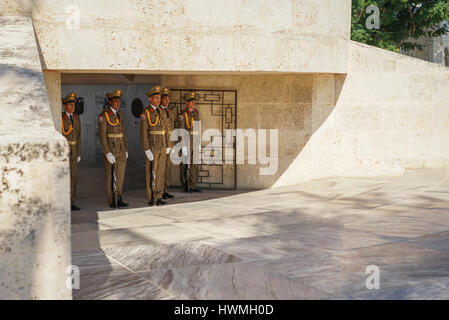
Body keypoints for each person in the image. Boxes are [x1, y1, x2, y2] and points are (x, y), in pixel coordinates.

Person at [98, 89, 129, 208]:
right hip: (111, 149)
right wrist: (107, 152)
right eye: (115, 101)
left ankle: (119, 196)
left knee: (120, 175)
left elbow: (123, 133)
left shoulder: (120, 114)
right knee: (111, 176)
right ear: (110, 102)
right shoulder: (104, 116)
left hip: (121, 149)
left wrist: (126, 149)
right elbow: (102, 136)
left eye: (119, 101)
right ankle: (112, 200)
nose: (118, 103)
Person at [140, 85, 167, 206]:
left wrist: (168, 145)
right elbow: (143, 133)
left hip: (162, 145)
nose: (158, 100)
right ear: (150, 99)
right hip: (152, 147)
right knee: (151, 172)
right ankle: (151, 198)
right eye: (156, 98)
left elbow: (165, 129)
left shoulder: (161, 111)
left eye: (159, 98)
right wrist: (146, 149)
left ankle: (159, 196)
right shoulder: (145, 113)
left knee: (160, 172)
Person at [61, 92, 81, 211]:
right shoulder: (61, 118)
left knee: (73, 177)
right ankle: (64, 201)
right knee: (64, 177)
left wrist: (79, 152)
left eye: (74, 105)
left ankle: (72, 201)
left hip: (73, 150)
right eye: (70, 105)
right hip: (65, 150)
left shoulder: (76, 118)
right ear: (65, 106)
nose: (73, 107)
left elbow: (79, 137)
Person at [180, 92, 201, 192]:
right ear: (187, 103)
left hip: (195, 141)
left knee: (194, 164)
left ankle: (194, 185)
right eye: (191, 101)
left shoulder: (196, 113)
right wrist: (183, 145)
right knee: (185, 164)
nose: (193, 103)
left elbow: (198, 127)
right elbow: (181, 130)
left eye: (194, 101)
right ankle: (186, 185)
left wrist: (199, 142)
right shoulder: (182, 114)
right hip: (187, 140)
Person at [159, 88, 175, 199]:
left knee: (168, 168)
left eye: (168, 99)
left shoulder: (170, 112)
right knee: (161, 169)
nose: (167, 101)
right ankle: (160, 190)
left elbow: (172, 128)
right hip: (162, 144)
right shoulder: (158, 112)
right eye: (165, 99)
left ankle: (166, 189)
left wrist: (172, 144)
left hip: (169, 143)